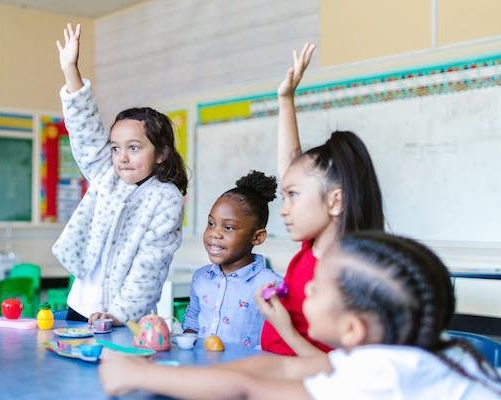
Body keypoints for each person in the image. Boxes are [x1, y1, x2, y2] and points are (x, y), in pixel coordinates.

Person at [99, 232, 501, 399]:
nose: (307, 286)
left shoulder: (385, 375)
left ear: (352, 328)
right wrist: (286, 328)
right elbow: (279, 370)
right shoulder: (409, 352)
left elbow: (250, 390)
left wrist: (139, 375)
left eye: (319, 284)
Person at [51, 24, 188, 324]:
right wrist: (70, 71)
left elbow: (150, 266)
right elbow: (86, 132)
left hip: (123, 318)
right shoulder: (108, 175)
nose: (122, 158)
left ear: (162, 153)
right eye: (115, 148)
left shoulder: (165, 199)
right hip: (80, 307)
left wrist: (117, 315)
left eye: (134, 148)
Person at [258, 43, 385, 356]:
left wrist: (285, 330)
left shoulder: (346, 271)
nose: (284, 210)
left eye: (293, 197)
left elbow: (341, 371)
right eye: (285, 197)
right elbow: (292, 168)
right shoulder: (311, 247)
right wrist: (285, 99)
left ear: (335, 201)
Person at [181, 170, 282, 348]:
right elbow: (192, 324)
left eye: (228, 227)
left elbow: (279, 339)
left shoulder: (271, 285)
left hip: (247, 372)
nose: (214, 233)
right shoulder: (201, 278)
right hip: (202, 371)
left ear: (257, 237)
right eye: (211, 223)